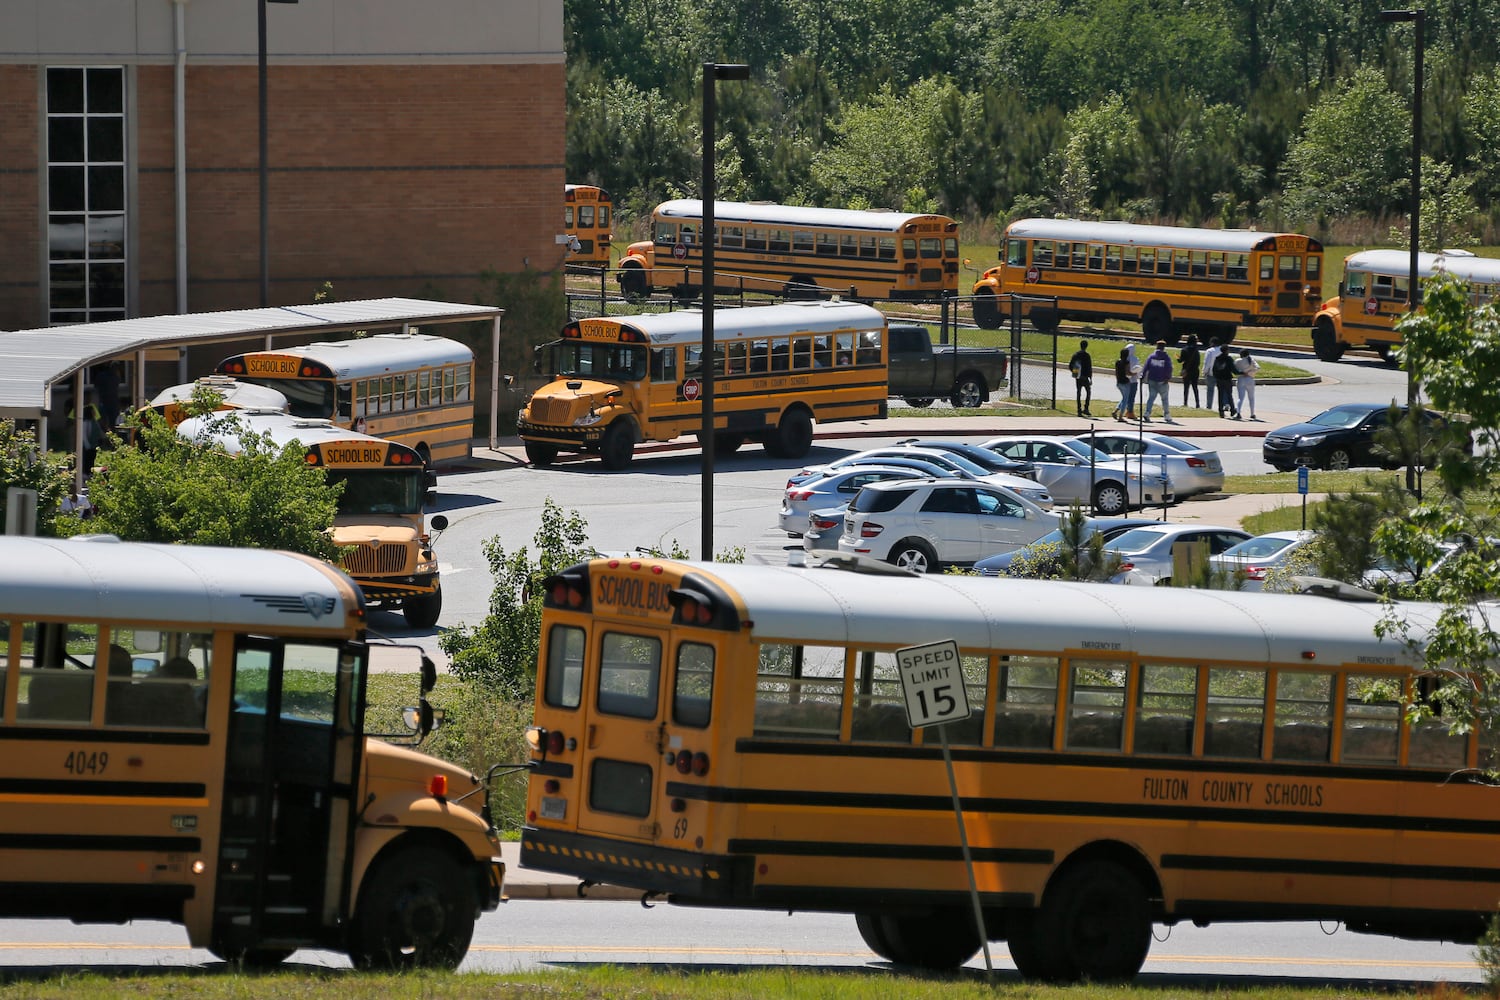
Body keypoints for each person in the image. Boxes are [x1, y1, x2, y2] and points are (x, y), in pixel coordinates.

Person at [1141, 340, 1175, 423]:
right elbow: (1169, 368)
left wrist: (1142, 376)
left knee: (1151, 397)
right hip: (1162, 381)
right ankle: (1167, 415)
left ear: (1156, 346)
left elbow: (1146, 367)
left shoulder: (1151, 357)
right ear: (1164, 347)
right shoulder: (1166, 358)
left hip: (1152, 379)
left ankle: (1147, 413)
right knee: (1164, 399)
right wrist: (1168, 378)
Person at [1210, 343, 1239, 419]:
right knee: (1229, 394)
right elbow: (1233, 370)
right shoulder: (1228, 359)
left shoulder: (1217, 358)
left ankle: (1221, 411)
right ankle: (1232, 410)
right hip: (1227, 378)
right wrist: (1241, 372)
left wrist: (1216, 376)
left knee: (1220, 395)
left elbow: (1214, 369)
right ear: (1226, 350)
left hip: (1219, 379)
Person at [1068, 340, 1093, 417]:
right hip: (1085, 376)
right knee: (1088, 392)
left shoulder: (1076, 355)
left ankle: (1079, 410)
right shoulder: (1087, 356)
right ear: (1086, 346)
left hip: (1078, 376)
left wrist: (1074, 372)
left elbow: (1070, 365)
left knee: (1079, 392)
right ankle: (1086, 408)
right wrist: (1090, 377)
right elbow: (1089, 367)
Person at [1235, 348, 1260, 420]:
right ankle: (1252, 413)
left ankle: (1238, 412)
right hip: (1250, 379)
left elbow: (1234, 369)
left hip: (1240, 379)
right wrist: (1250, 372)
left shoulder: (1237, 361)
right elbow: (1258, 368)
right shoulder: (1251, 360)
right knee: (1251, 397)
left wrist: (1242, 372)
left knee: (1240, 397)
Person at [1111, 347, 1135, 422]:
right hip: (1125, 382)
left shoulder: (1117, 362)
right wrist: (1134, 373)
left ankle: (1116, 411)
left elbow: (1116, 372)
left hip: (1119, 382)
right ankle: (1121, 416)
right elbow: (1128, 372)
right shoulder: (1126, 362)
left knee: (1124, 398)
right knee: (1125, 400)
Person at [1179, 334, 1201, 409]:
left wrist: (1179, 359)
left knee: (1186, 387)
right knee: (1195, 387)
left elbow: (1181, 360)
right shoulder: (1196, 350)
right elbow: (1198, 362)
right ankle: (1197, 403)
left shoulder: (1184, 349)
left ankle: (1185, 402)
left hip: (1187, 370)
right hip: (1195, 370)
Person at [1202, 338, 1222, 412]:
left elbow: (1207, 363)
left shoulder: (1210, 351)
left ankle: (1209, 406)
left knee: (1210, 390)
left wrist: (1204, 372)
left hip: (1211, 373)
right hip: (1221, 374)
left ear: (1212, 343)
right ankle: (1225, 404)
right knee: (1222, 390)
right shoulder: (1221, 350)